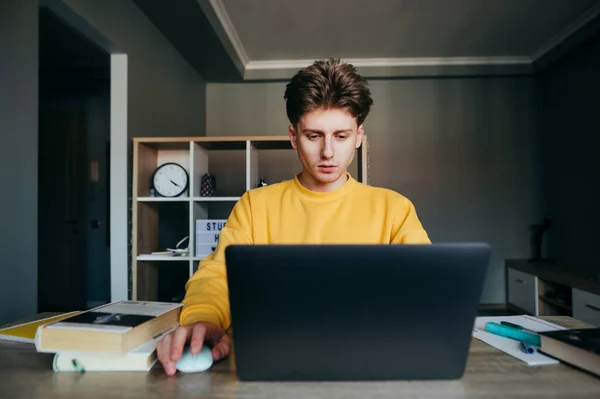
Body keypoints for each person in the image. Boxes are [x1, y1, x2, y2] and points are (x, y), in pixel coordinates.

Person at [157, 58, 431, 376]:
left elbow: (424, 285)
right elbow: (219, 274)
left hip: (370, 361)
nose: (328, 152)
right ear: (293, 136)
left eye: (341, 136)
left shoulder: (394, 209)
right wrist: (202, 317)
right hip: (272, 359)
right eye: (314, 136)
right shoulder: (254, 206)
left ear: (358, 136)